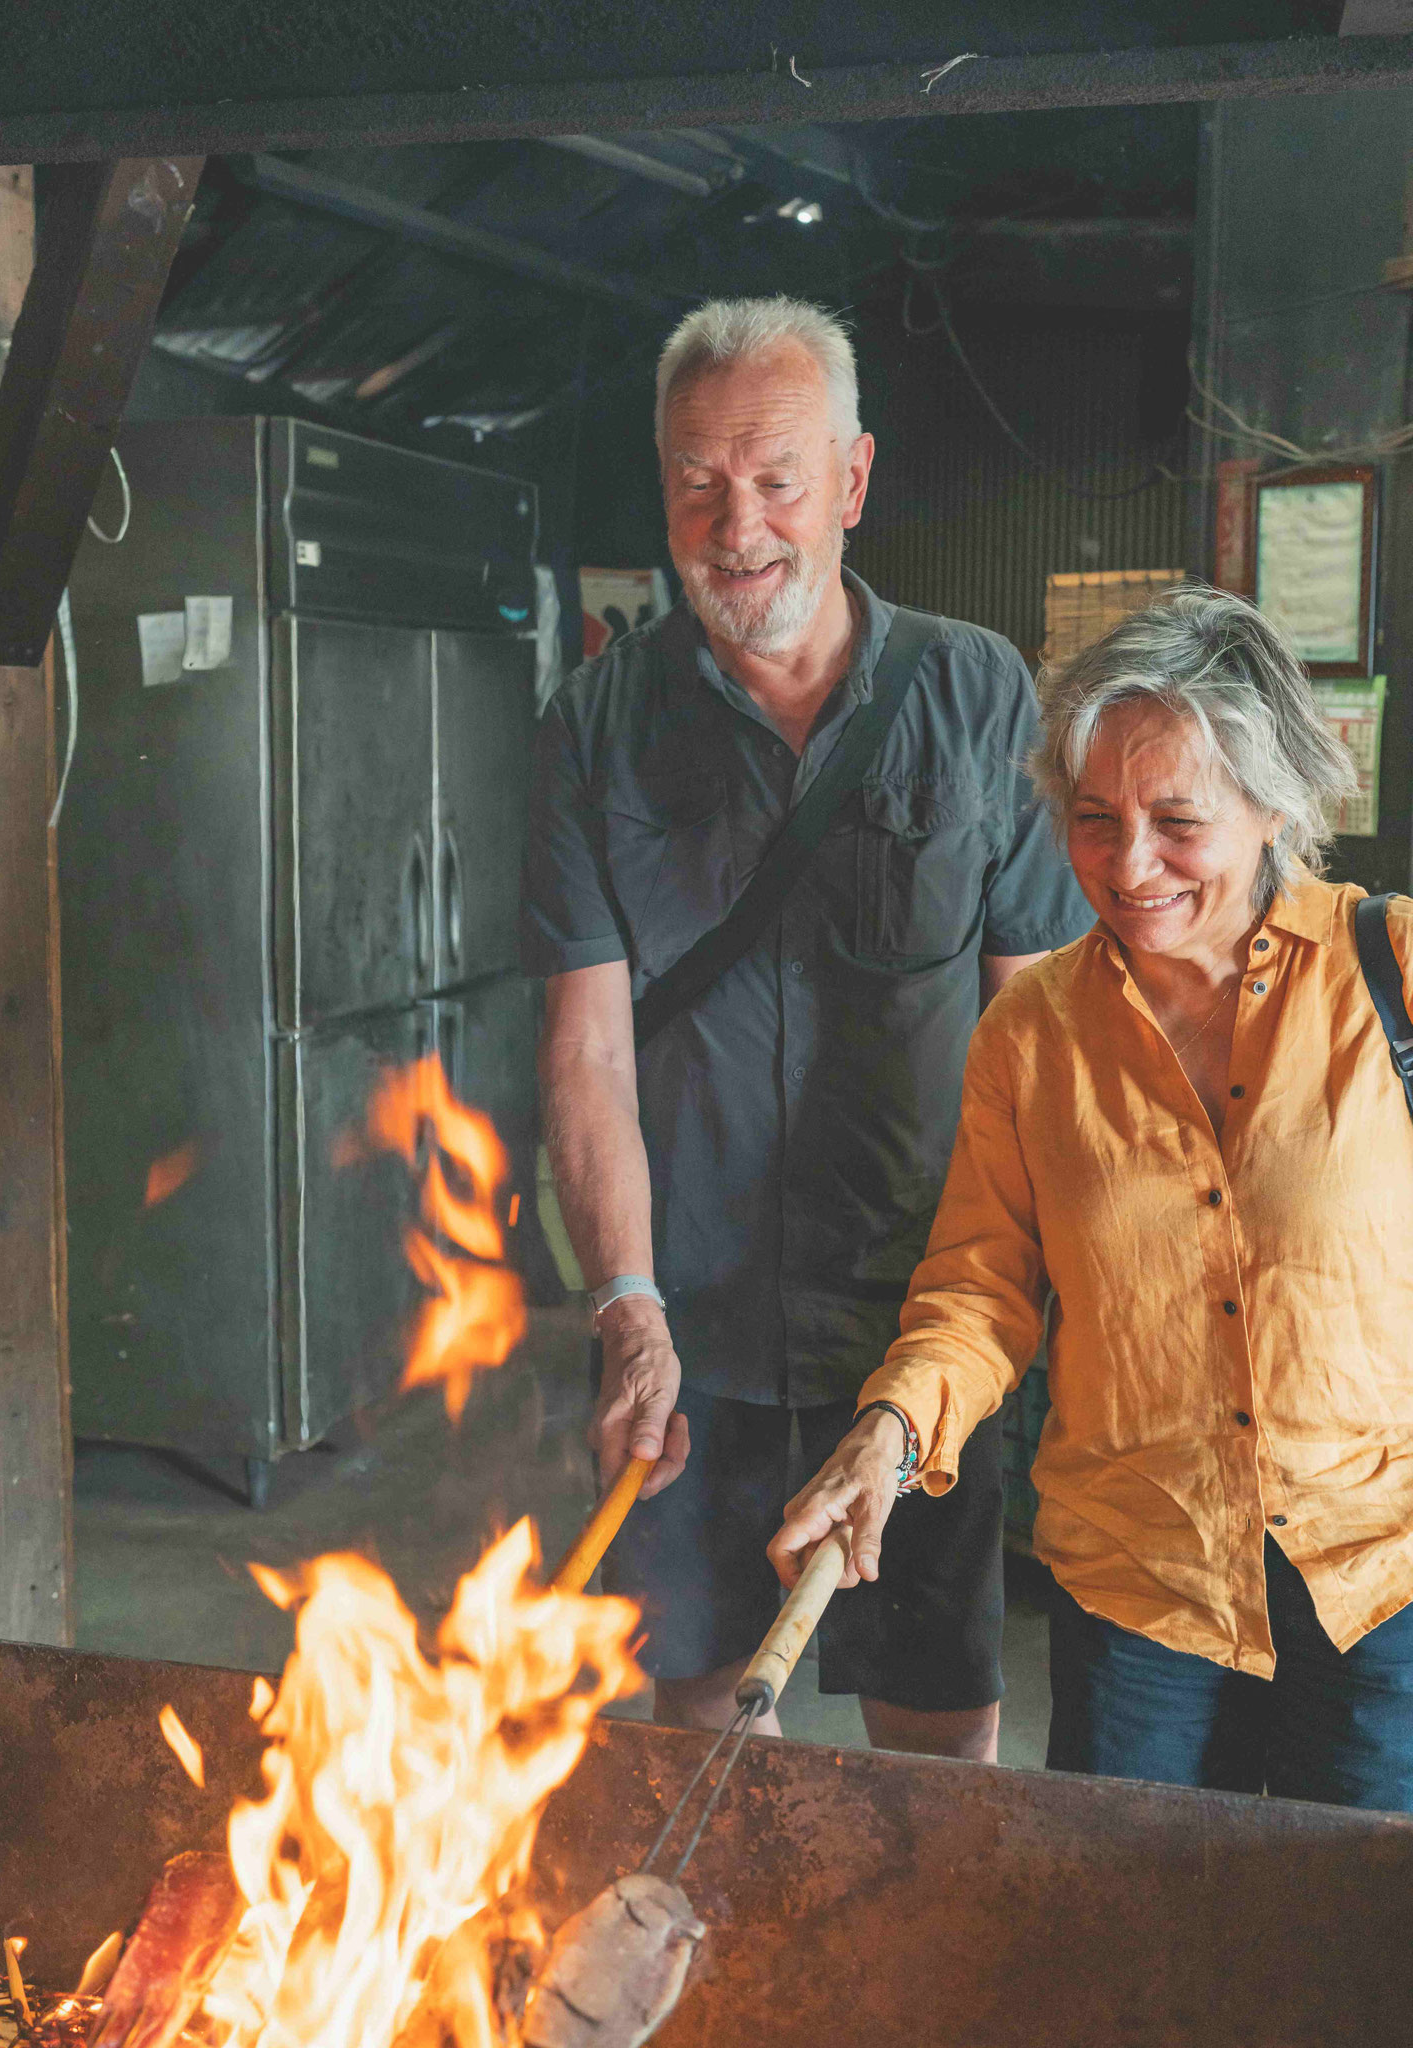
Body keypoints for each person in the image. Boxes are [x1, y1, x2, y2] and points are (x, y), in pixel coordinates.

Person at [522, 296, 1091, 1759]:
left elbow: (1040, 1036)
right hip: (691, 1338)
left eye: (777, 478)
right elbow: (587, 1051)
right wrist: (626, 1309)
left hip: (923, 1333)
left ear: (851, 481)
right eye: (697, 481)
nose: (736, 525)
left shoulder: (975, 698)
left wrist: (1009, 1319)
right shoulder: (595, 723)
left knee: (935, 1735)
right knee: (705, 1733)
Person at [770, 584, 1413, 1808]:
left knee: (1358, 1970)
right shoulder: (1032, 1032)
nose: (1129, 866)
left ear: (1273, 803)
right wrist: (892, 1430)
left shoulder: (1389, 975)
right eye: (1094, 816)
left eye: (1178, 819)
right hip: (1141, 1589)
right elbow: (980, 1285)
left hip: (1377, 1582)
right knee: (1132, 1955)